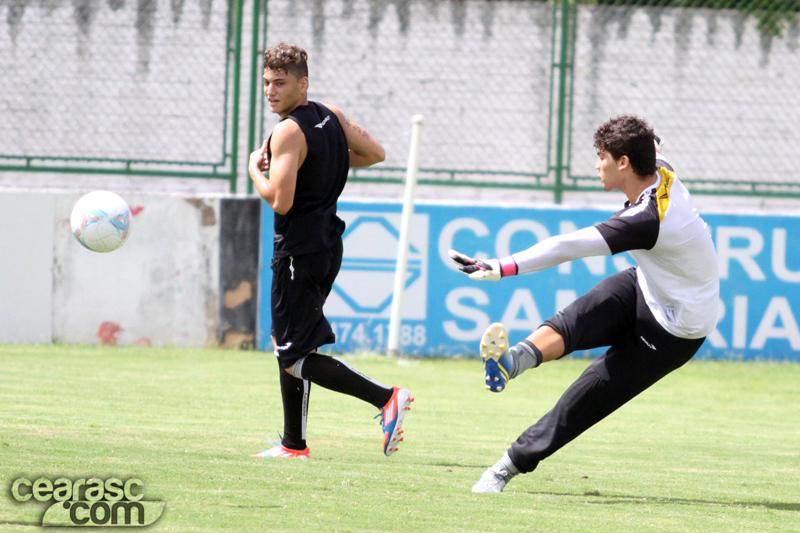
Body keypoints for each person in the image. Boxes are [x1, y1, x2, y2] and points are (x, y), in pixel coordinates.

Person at [450, 115, 719, 492]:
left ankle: (504, 468)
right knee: (577, 318)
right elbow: (652, 146)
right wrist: (647, 135)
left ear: (624, 162)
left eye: (601, 156)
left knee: (585, 398)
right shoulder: (658, 168)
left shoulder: (646, 219)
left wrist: (499, 267)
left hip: (676, 328)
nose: (596, 165)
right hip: (648, 286)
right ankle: (511, 363)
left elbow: (567, 247)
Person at [248, 42, 412, 459]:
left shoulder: (287, 131)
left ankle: (386, 398)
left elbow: (279, 201)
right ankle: (293, 444)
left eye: (280, 83)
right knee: (292, 345)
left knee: (293, 354)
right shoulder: (331, 116)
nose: (270, 90)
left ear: (302, 84)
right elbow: (374, 154)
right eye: (267, 82)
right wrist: (324, 162)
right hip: (327, 246)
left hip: (298, 253)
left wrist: (254, 169)